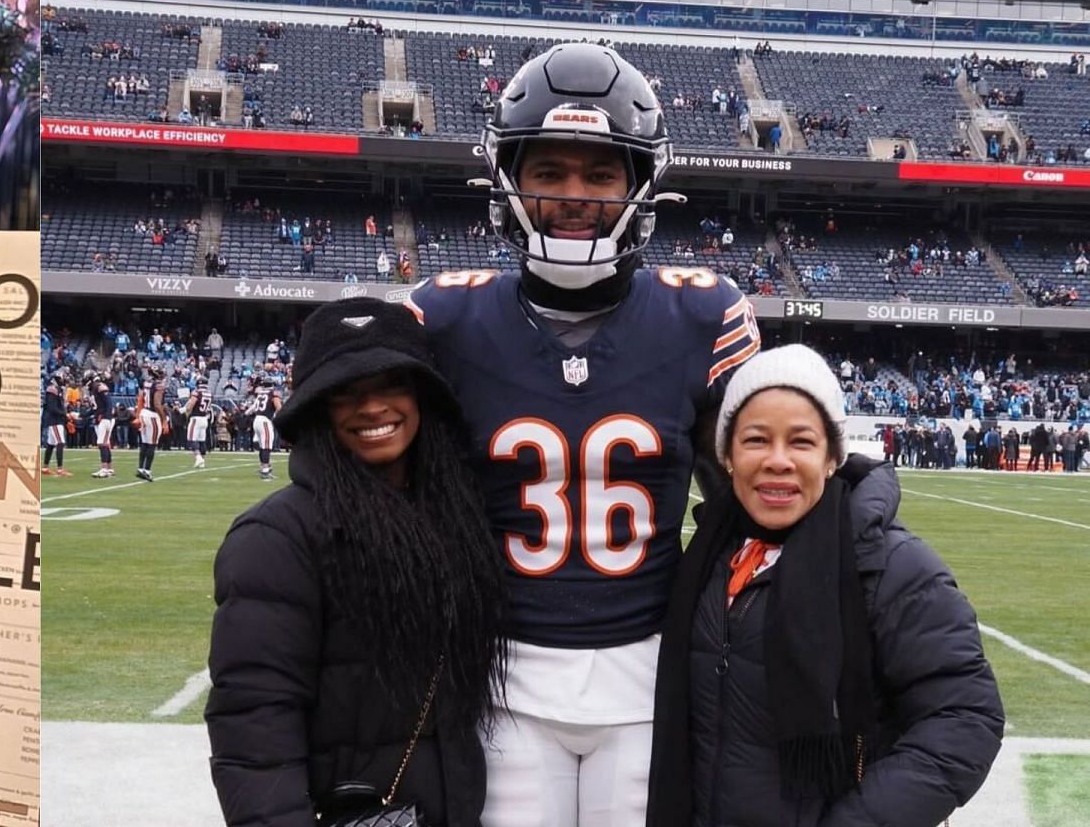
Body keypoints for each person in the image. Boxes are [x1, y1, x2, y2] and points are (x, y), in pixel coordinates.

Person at [406, 42, 761, 827]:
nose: (575, 196)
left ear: (642, 185)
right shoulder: (444, 316)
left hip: (647, 669)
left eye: (601, 174)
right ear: (509, 180)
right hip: (500, 670)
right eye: (550, 173)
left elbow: (759, 500)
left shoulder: (703, 313)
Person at [648, 345, 1003, 826]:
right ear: (727, 457)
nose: (778, 460)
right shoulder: (709, 558)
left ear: (833, 457)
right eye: (755, 440)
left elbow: (965, 718)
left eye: (801, 442)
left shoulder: (893, 566)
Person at [206, 300, 509, 827]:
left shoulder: (456, 516)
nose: (372, 408)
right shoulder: (275, 538)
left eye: (392, 383)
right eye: (345, 391)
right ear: (318, 408)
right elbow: (254, 730)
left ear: (421, 396)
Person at [43, 379, 71, 478]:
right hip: (55, 420)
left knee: (51, 444)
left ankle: (45, 468)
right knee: (60, 442)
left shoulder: (57, 390)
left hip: (56, 420)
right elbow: (52, 408)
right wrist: (64, 414)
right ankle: (60, 469)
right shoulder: (52, 390)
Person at [91, 377, 118, 479]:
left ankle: (104, 469)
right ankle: (110, 468)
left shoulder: (100, 387)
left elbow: (108, 404)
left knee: (102, 443)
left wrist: (106, 416)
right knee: (105, 443)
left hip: (106, 419)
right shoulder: (96, 390)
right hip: (104, 418)